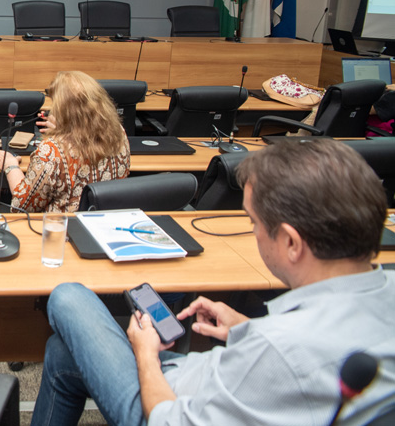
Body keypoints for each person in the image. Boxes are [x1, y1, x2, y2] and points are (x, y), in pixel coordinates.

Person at [32, 139, 395, 426]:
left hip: (168, 407)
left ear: (291, 243)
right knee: (63, 355)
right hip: (214, 383)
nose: (253, 233)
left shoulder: (278, 348)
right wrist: (246, 329)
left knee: (68, 296)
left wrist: (146, 355)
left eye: (253, 222)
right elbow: (316, 358)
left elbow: (167, 420)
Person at [0, 70, 129, 213]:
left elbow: (21, 206)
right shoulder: (119, 134)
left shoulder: (51, 151)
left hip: (61, 230)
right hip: (104, 226)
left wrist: (10, 165)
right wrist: (64, 129)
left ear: (63, 109)